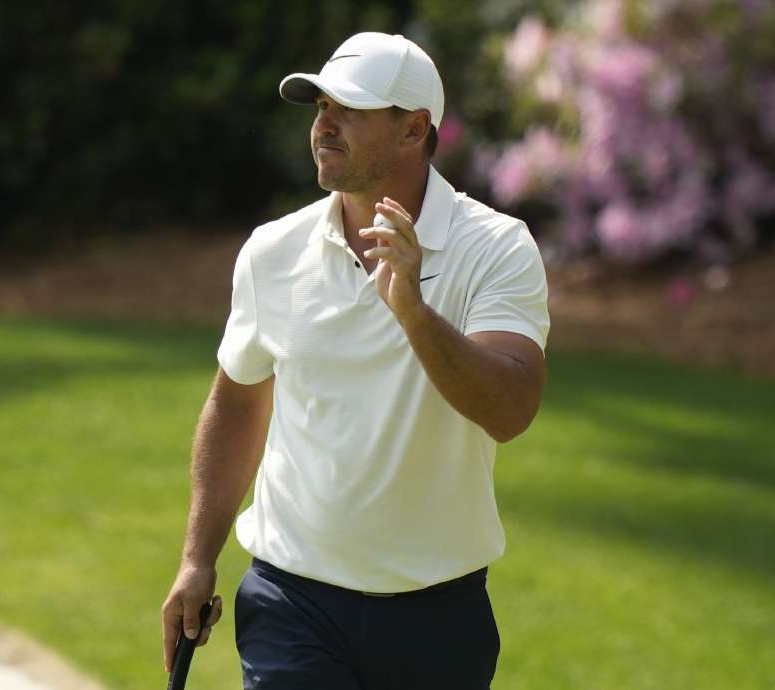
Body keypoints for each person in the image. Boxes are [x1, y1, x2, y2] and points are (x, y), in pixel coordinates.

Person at [161, 31, 550, 690]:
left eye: (350, 108)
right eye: (318, 107)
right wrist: (197, 558)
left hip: (438, 615)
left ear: (414, 128)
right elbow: (237, 401)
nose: (324, 124)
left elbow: (511, 411)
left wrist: (415, 316)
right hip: (294, 602)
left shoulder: (498, 248)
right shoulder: (271, 252)